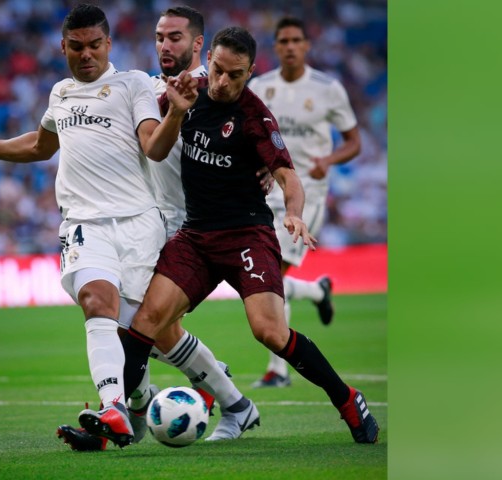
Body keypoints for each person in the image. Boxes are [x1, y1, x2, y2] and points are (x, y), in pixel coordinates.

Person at [0, 4, 198, 449]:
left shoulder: (133, 85)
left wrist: (175, 114)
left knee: (133, 334)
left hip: (139, 226)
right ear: (63, 47)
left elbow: (153, 149)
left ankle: (142, 404)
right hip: (85, 224)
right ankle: (115, 407)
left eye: (94, 46)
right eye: (77, 47)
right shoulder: (60, 94)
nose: (86, 55)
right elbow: (40, 146)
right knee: (96, 300)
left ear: (108, 45)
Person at [110, 26, 379, 444]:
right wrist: (173, 112)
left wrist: (294, 214)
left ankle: (347, 399)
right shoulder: (187, 91)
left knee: (269, 332)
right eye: (216, 70)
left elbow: (288, 177)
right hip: (195, 236)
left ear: (250, 72)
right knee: (146, 322)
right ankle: (116, 421)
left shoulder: (256, 118)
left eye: (234, 75)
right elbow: (146, 136)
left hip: (246, 236)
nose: (221, 82)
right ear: (209, 60)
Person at [57, 6, 262, 451]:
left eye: (174, 37)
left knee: (146, 328)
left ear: (198, 45)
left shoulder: (222, 90)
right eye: (158, 37)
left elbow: (260, 135)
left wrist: (262, 170)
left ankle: (138, 408)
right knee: (145, 327)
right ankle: (209, 401)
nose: (164, 45)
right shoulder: (148, 91)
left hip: (195, 228)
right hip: (154, 220)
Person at [247, 17, 362, 388]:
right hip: (267, 191)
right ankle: (316, 291)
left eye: (297, 40)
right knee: (262, 276)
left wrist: (328, 161)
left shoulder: (327, 88)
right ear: (276, 46)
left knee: (272, 276)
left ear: (307, 45)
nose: (291, 46)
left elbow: (353, 141)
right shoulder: (261, 86)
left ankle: (277, 371)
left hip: (306, 192)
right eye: (284, 41)